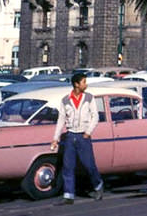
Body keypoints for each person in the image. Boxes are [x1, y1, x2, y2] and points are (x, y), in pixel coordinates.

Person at [51, 72, 104, 204]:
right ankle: (69, 195)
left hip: (83, 136)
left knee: (89, 165)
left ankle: (98, 186)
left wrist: (88, 132)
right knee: (68, 166)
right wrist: (55, 137)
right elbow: (61, 119)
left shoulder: (89, 98)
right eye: (84, 82)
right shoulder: (65, 100)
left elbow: (95, 116)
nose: (86, 85)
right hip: (70, 136)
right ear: (76, 84)